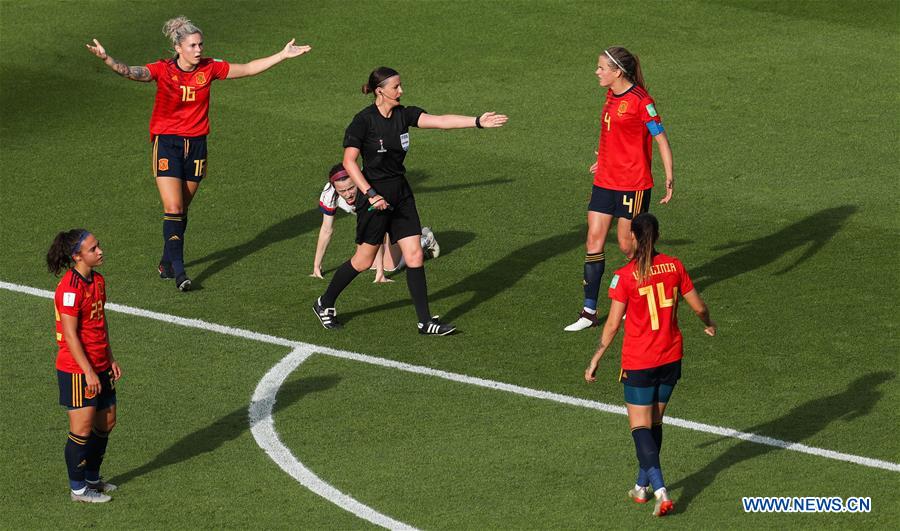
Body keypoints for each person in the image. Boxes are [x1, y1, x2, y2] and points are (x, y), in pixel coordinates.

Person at [86, 17, 311, 291]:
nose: (198, 49)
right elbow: (132, 72)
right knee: (173, 208)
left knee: (182, 211)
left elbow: (249, 68)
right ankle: (180, 274)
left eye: (200, 44)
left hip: (197, 146)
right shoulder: (163, 70)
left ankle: (166, 262)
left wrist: (282, 55)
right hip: (167, 143)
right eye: (192, 45)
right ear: (178, 47)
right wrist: (108, 59)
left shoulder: (210, 68)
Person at [312, 66, 507, 334]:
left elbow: (439, 121)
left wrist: (476, 121)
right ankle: (325, 302)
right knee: (363, 261)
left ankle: (425, 322)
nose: (401, 91)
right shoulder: (363, 121)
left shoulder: (403, 115)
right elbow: (349, 161)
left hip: (400, 194)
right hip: (374, 197)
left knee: (415, 255)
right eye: (396, 87)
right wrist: (370, 194)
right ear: (380, 91)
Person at [583, 213, 715, 517]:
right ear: (656, 236)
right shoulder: (675, 265)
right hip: (671, 358)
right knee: (655, 422)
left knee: (640, 427)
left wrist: (595, 359)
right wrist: (708, 324)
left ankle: (660, 490)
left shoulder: (625, 276)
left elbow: (613, 324)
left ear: (632, 237)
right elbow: (699, 306)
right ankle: (641, 487)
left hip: (640, 361)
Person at [566, 46, 675, 331]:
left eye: (602, 68)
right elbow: (612, 133)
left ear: (617, 72)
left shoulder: (641, 101)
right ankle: (589, 311)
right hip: (605, 181)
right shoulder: (610, 95)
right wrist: (602, 159)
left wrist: (669, 175)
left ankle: (645, 292)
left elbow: (660, 138)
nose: (597, 72)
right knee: (593, 240)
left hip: (633, 184)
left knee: (628, 245)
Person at [47, 229, 122, 503]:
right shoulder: (70, 289)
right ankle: (78, 489)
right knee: (82, 427)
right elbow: (70, 335)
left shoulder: (98, 281)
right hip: (77, 368)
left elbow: (100, 323)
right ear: (77, 256)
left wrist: (110, 357)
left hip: (100, 363)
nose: (100, 251)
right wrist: (89, 371)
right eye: (93, 249)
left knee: (107, 421)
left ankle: (92, 476)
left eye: (98, 246)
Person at [311, 163, 440, 283]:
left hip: (393, 216)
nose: (348, 194)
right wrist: (317, 266)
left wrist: (380, 272)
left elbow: (378, 231)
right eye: (342, 191)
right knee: (365, 262)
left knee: (389, 266)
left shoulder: (370, 190)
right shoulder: (329, 192)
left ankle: (424, 239)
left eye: (351, 188)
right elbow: (327, 230)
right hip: (376, 222)